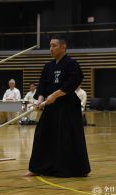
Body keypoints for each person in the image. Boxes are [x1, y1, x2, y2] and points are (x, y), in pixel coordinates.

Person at [25, 34, 91, 177]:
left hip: (67, 106)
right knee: (42, 134)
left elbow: (73, 82)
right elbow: (42, 84)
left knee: (66, 137)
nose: (51, 49)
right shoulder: (48, 66)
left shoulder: (72, 64)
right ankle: (38, 168)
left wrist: (54, 95)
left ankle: (73, 169)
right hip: (51, 107)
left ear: (63, 47)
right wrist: (40, 99)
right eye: (50, 46)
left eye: (54, 46)